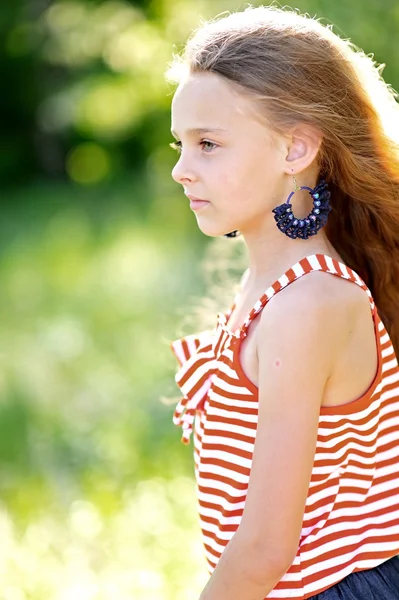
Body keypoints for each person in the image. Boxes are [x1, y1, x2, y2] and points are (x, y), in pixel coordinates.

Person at [166, 5, 399, 599]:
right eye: (180, 144)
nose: (180, 170)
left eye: (208, 145)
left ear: (296, 149)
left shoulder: (309, 304)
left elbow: (268, 546)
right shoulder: (271, 290)